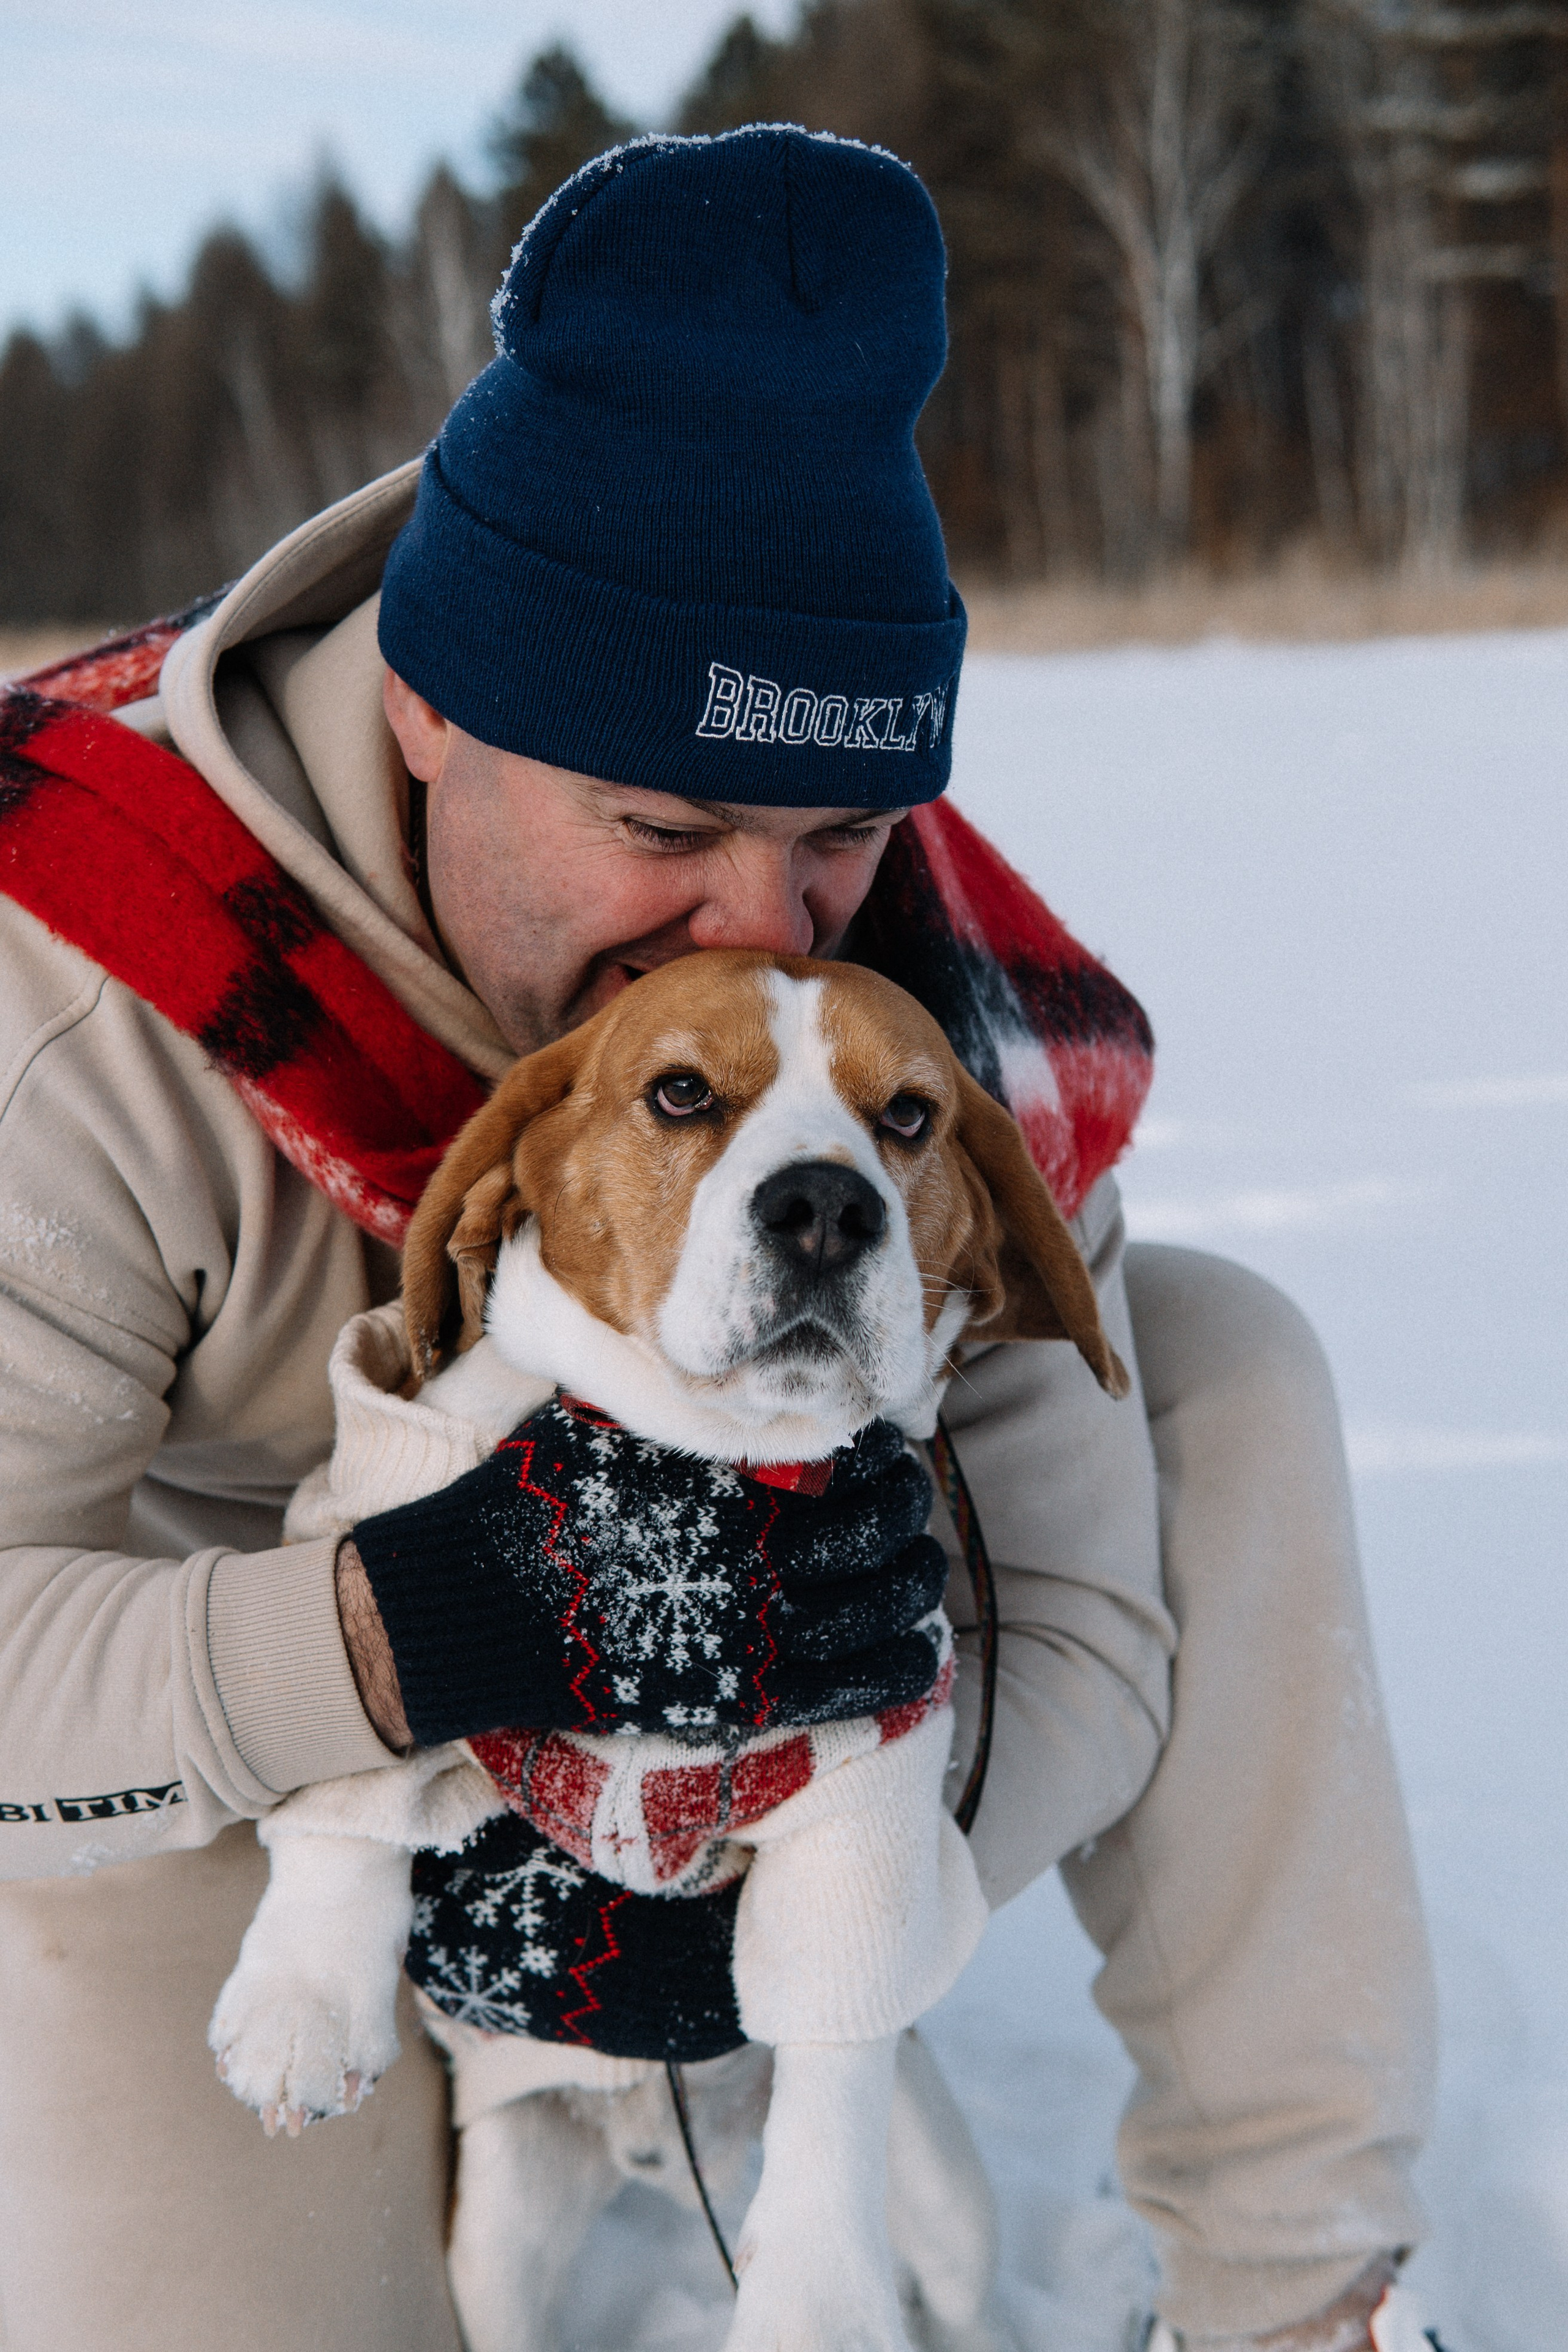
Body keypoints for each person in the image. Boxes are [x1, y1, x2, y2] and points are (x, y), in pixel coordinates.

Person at [0, 128, 1435, 2352]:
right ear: (428, 703)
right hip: (235, 1762)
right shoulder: (67, 999)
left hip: (757, 1708)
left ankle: (1302, 2302)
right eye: (661, 828)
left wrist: (769, 1836)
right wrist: (406, 1655)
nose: (756, 925)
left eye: (842, 831)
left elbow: (1083, 1603)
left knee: (1220, 1366)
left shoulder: (884, 990)